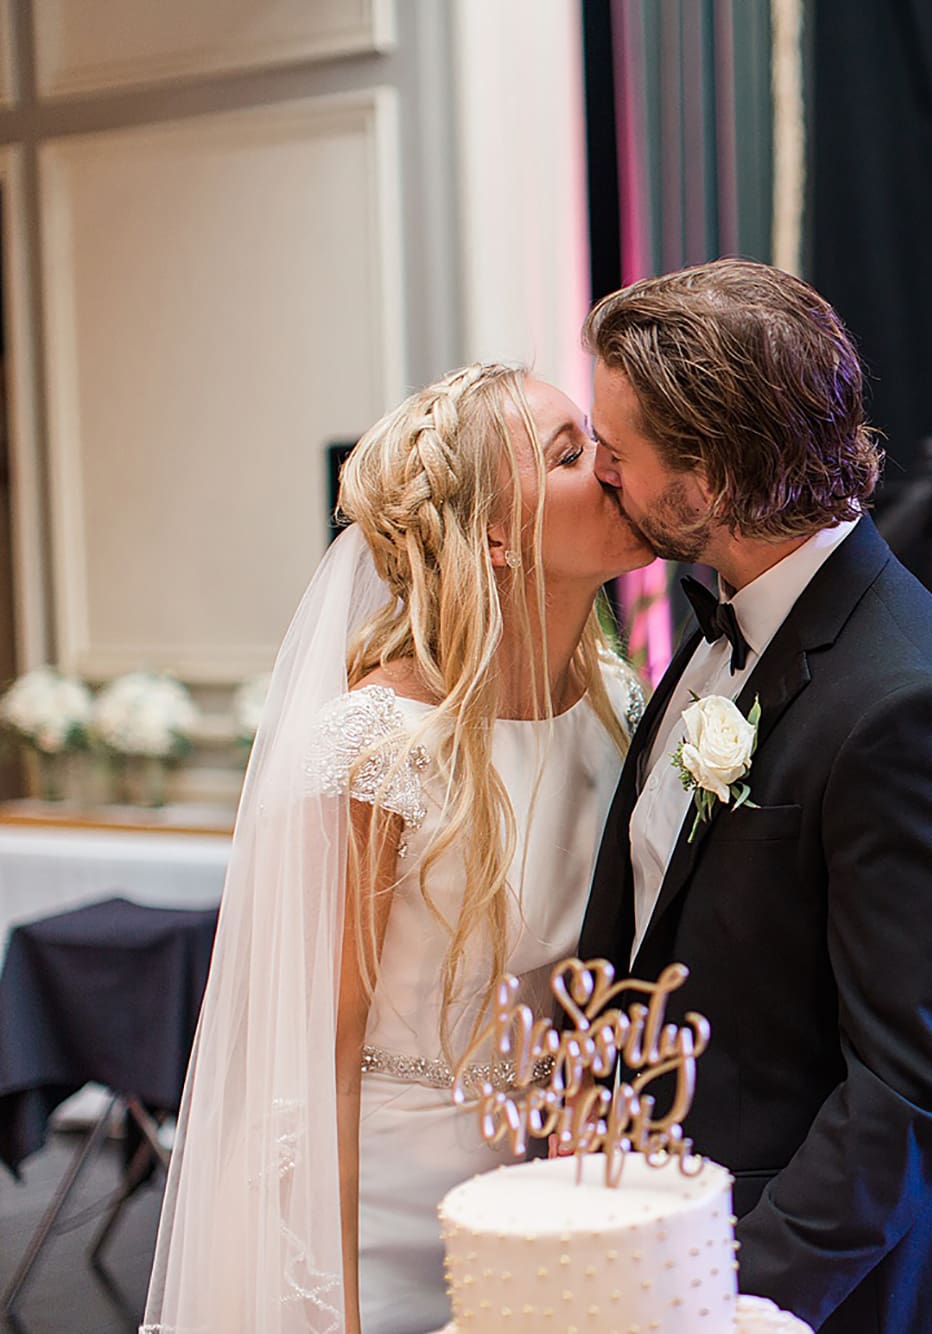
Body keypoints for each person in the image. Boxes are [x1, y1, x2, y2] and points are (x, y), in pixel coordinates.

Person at [145, 365, 654, 1332]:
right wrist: (333, 1302)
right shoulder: (377, 743)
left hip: (555, 1189)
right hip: (385, 1214)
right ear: (496, 536)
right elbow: (320, 1052)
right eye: (568, 454)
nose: (613, 471)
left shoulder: (620, 711)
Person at [577, 259, 932, 1333]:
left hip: (818, 1285)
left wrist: (731, 1294)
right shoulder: (725, 620)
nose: (600, 475)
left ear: (715, 477)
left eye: (616, 452)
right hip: (663, 1227)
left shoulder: (910, 706)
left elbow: (912, 1089)